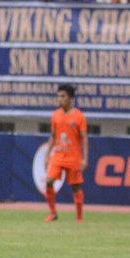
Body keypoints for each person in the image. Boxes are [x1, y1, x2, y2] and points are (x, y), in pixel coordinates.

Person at [43, 84, 88, 223]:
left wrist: (85, 158)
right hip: (58, 155)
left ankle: (79, 218)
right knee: (49, 181)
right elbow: (53, 136)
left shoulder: (79, 116)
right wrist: (47, 154)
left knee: (75, 187)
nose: (60, 99)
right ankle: (53, 213)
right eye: (58, 96)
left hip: (73, 157)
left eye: (63, 96)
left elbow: (84, 138)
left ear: (70, 99)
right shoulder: (55, 115)